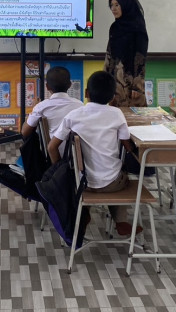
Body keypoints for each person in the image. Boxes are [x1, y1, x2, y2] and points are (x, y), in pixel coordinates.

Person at [47, 71, 138, 236]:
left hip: (81, 183)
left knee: (93, 173)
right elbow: (127, 146)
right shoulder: (117, 114)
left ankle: (85, 211)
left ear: (86, 93)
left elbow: (52, 147)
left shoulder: (73, 116)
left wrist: (60, 170)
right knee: (121, 172)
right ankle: (121, 221)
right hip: (113, 183)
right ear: (113, 97)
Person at [104, 0, 148, 107]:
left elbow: (140, 59)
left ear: (126, 5)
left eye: (117, 5)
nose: (113, 9)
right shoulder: (114, 27)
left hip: (131, 84)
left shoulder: (138, 28)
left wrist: (137, 87)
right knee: (115, 115)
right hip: (115, 83)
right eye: (111, 5)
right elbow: (109, 54)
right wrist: (104, 79)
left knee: (134, 116)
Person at [21, 66, 82, 144]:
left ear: (47, 86)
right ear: (70, 85)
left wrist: (34, 109)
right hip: (75, 150)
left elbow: (25, 132)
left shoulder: (41, 107)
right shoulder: (80, 105)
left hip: (50, 150)